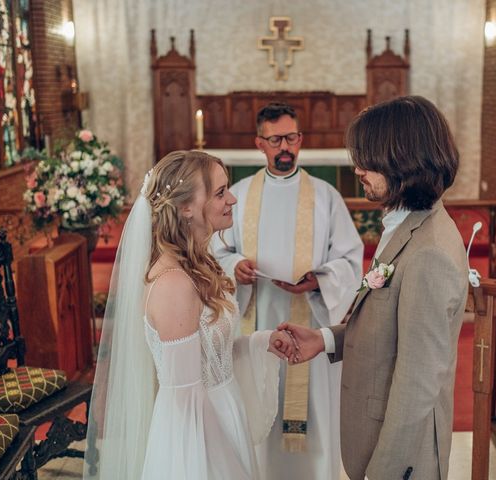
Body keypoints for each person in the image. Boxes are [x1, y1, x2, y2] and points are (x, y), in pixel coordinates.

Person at [280, 96, 469, 480]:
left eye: (368, 159)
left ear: (402, 159)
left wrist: (384, 471)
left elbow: (418, 380)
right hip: (375, 439)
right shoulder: (406, 223)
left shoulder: (429, 252)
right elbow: (390, 324)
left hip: (399, 456)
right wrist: (326, 340)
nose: (358, 169)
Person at [83, 150, 296, 480]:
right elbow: (184, 399)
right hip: (198, 436)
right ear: (185, 208)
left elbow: (209, 359)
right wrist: (228, 466)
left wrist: (261, 342)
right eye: (220, 192)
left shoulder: (198, 263)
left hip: (221, 412)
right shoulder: (173, 284)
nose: (233, 200)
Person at [211, 102, 363, 480]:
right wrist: (235, 267)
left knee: (311, 410)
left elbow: (350, 258)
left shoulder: (325, 196)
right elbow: (216, 249)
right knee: (260, 406)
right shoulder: (239, 196)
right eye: (276, 139)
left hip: (310, 319)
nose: (286, 147)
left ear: (301, 140)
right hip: (256, 316)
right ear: (259, 143)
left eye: (292, 138)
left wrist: (320, 279)